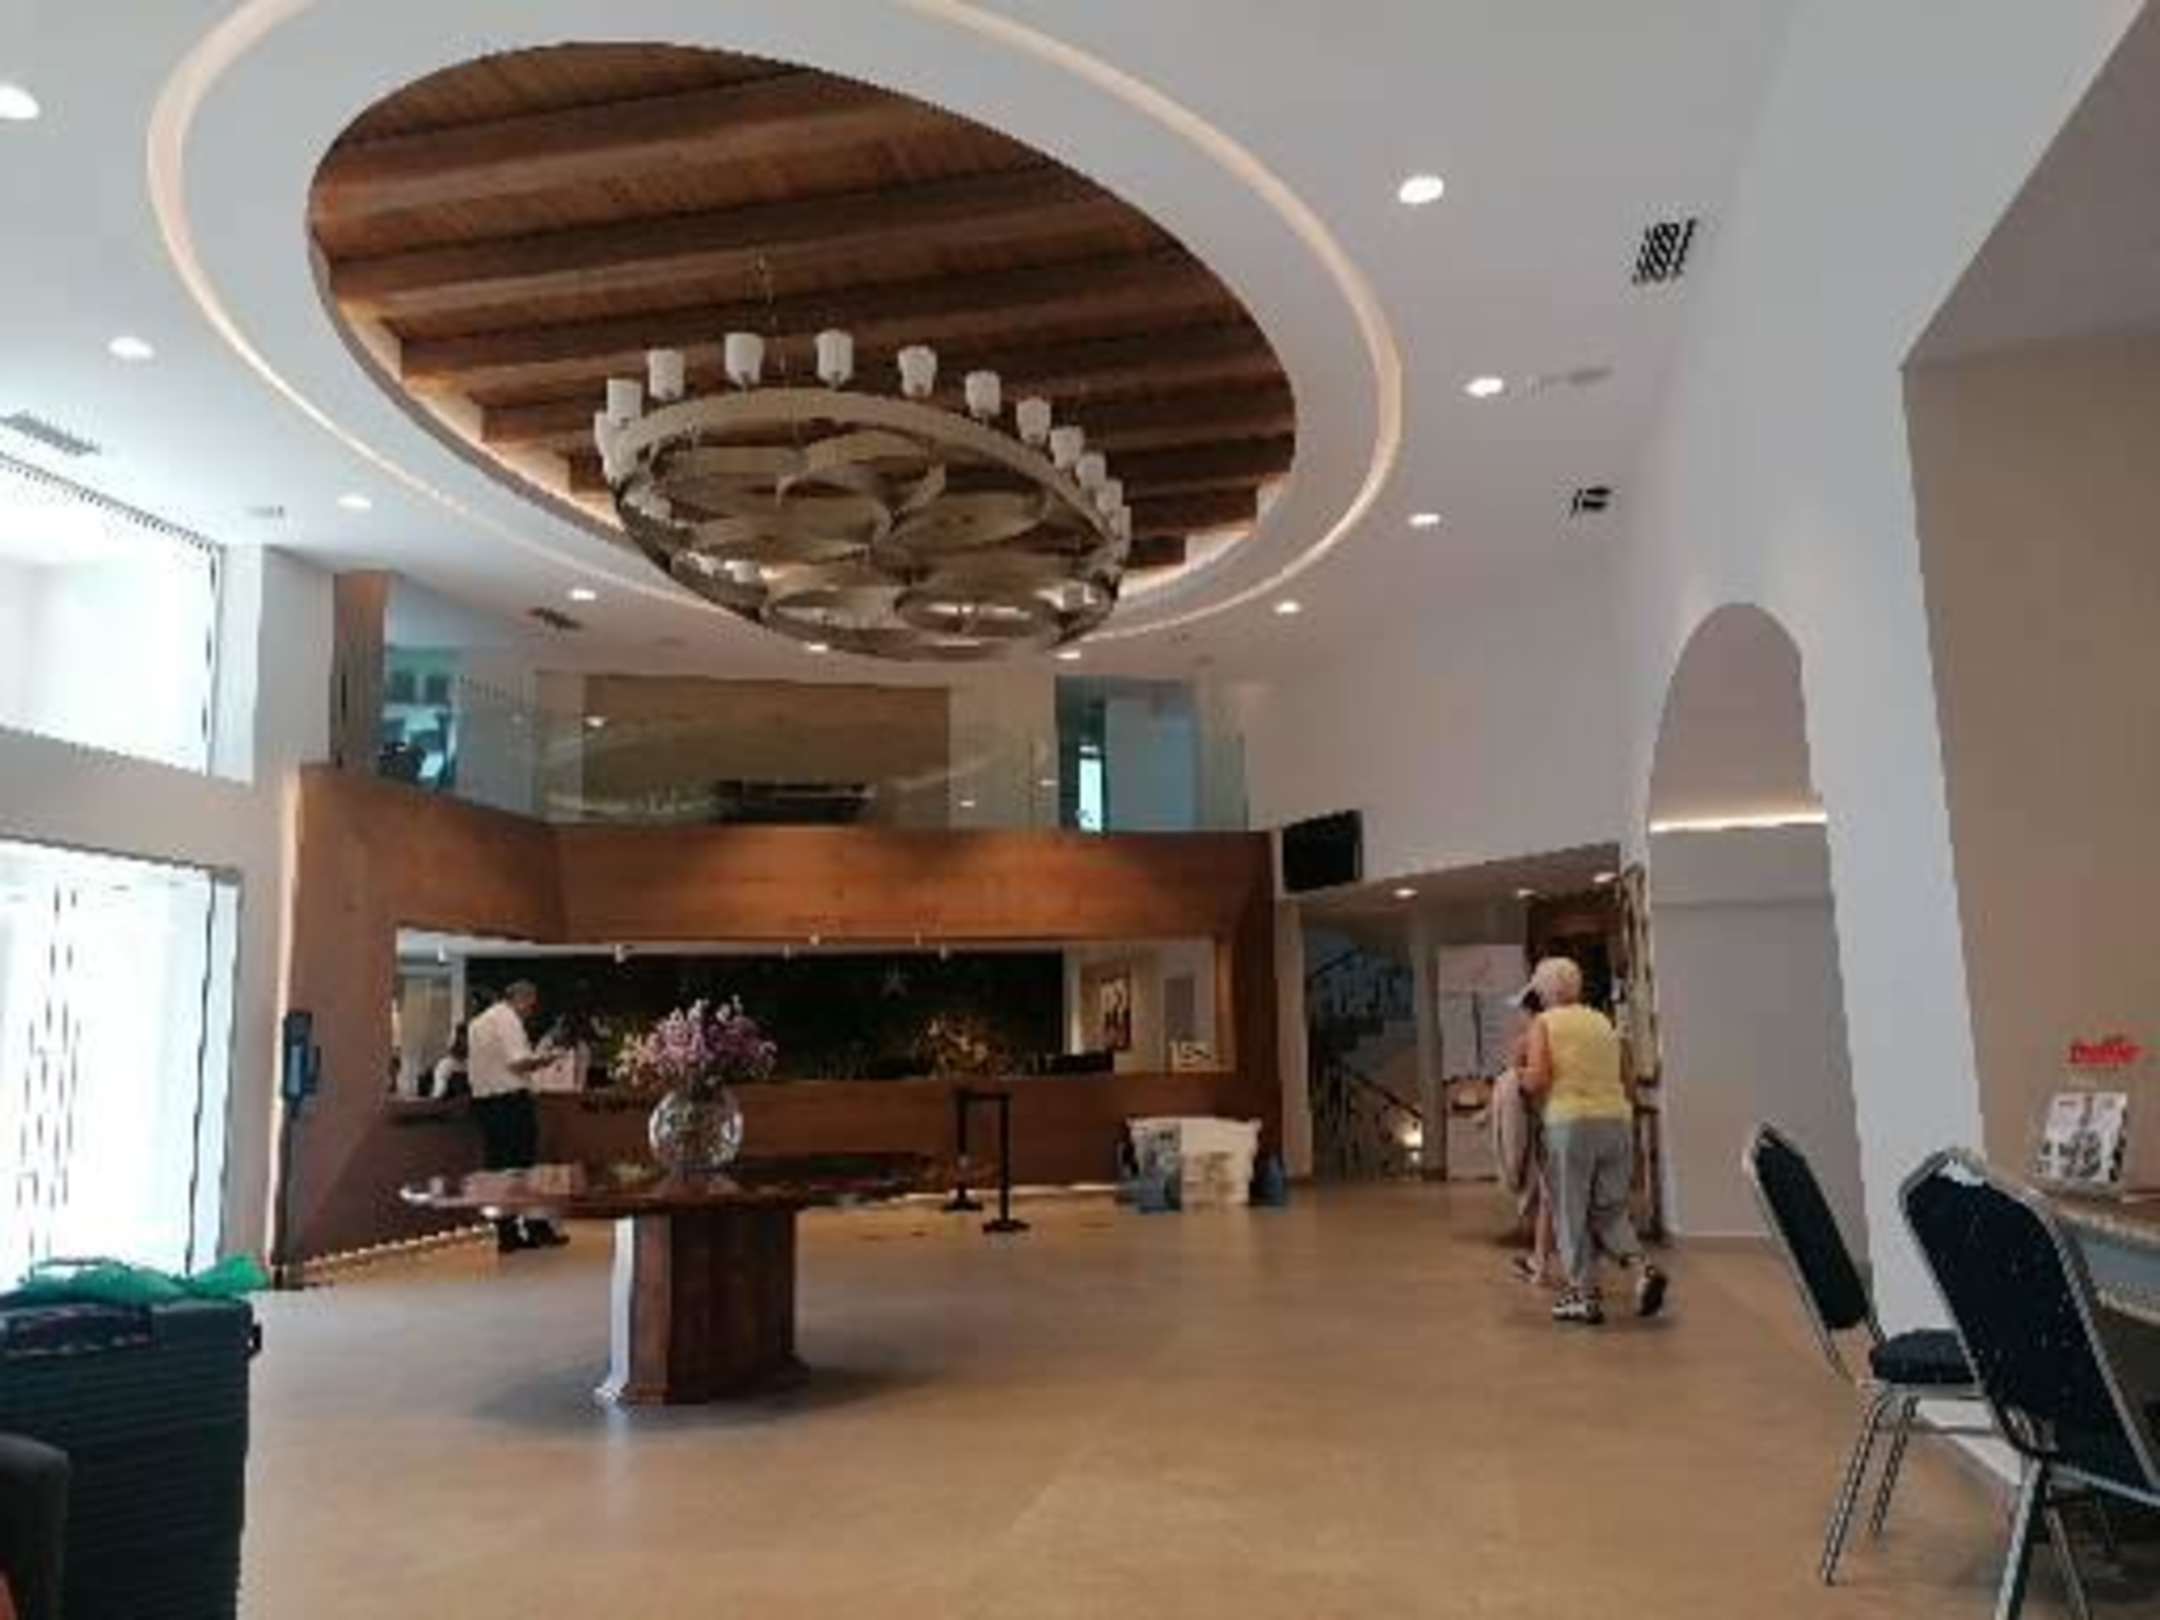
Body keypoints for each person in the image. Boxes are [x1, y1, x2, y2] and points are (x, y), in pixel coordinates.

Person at [1521, 956, 1666, 1325]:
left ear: (1543, 991)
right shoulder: (1602, 1022)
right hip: (1616, 1121)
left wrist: (1514, 1076)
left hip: (1570, 1124)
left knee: (1570, 1209)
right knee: (1610, 1209)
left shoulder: (1544, 1023)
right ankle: (1642, 1269)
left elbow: (1538, 1078)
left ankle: (1582, 1295)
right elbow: (1625, 1076)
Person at [466, 982, 567, 1253]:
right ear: (521, 998)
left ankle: (506, 1232)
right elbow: (518, 1062)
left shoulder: (478, 1023)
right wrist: (547, 1059)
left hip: (485, 1103)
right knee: (524, 1168)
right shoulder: (507, 1019)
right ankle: (535, 1227)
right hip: (510, 1102)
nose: (530, 1012)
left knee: (498, 1169)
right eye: (530, 1005)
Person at [1492, 986, 1558, 1287]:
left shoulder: (1534, 1035)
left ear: (1528, 1010)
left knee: (1543, 1190)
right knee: (1547, 1193)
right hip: (1554, 1116)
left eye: (1520, 1010)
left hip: (1543, 1120)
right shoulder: (1558, 1031)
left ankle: (1543, 1260)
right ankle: (1540, 1259)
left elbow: (1522, 1078)